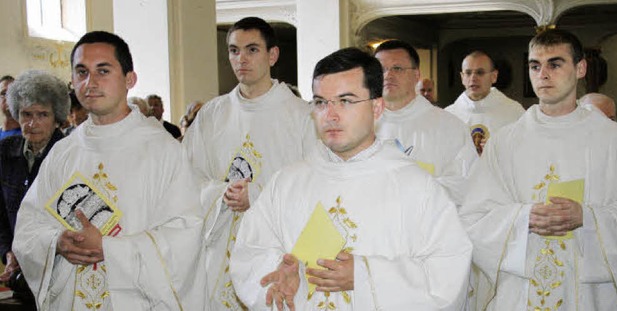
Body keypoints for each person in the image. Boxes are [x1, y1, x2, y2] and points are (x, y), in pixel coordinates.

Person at [230, 47, 472, 310]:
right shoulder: (286, 183)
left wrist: (366, 276)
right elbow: (250, 252)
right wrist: (280, 274)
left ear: (377, 107)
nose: (330, 115)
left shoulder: (416, 187)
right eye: (321, 102)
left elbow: (447, 275)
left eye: (345, 101)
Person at [12, 31, 209, 310]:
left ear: (130, 79)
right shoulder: (64, 152)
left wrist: (109, 249)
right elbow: (30, 226)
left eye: (102, 71)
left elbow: (185, 236)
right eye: (81, 72)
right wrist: (56, 242)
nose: (90, 82)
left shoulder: (163, 151)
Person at [459, 29, 617, 311]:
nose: (543, 74)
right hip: (520, 292)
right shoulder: (505, 142)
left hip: (590, 295)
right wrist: (523, 217)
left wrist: (587, 218)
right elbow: (475, 218)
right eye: (535, 66)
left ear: (580, 69)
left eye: (555, 64)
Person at [182, 16, 315, 310]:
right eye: (233, 50)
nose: (240, 58)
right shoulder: (212, 114)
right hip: (217, 249)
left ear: (273, 55)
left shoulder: (301, 116)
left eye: (252, 49)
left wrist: (256, 195)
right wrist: (221, 194)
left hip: (274, 252)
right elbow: (187, 178)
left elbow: (313, 189)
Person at [374, 40, 477, 205]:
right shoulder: (360, 126)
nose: (388, 75)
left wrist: (409, 188)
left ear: (416, 75)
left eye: (397, 68)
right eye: (381, 69)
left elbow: (468, 186)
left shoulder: (450, 127)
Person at [0, 70, 68, 304]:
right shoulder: (5, 151)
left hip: (59, 271)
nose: (32, 123)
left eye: (42, 115)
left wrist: (33, 251)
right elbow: (1, 213)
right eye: (26, 114)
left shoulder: (69, 154)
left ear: (57, 117)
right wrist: (8, 252)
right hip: (19, 274)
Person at [445, 50, 525, 155]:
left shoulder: (514, 112)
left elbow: (526, 151)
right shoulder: (448, 115)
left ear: (494, 76)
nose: (473, 78)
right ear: (462, 77)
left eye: (480, 72)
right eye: (468, 73)